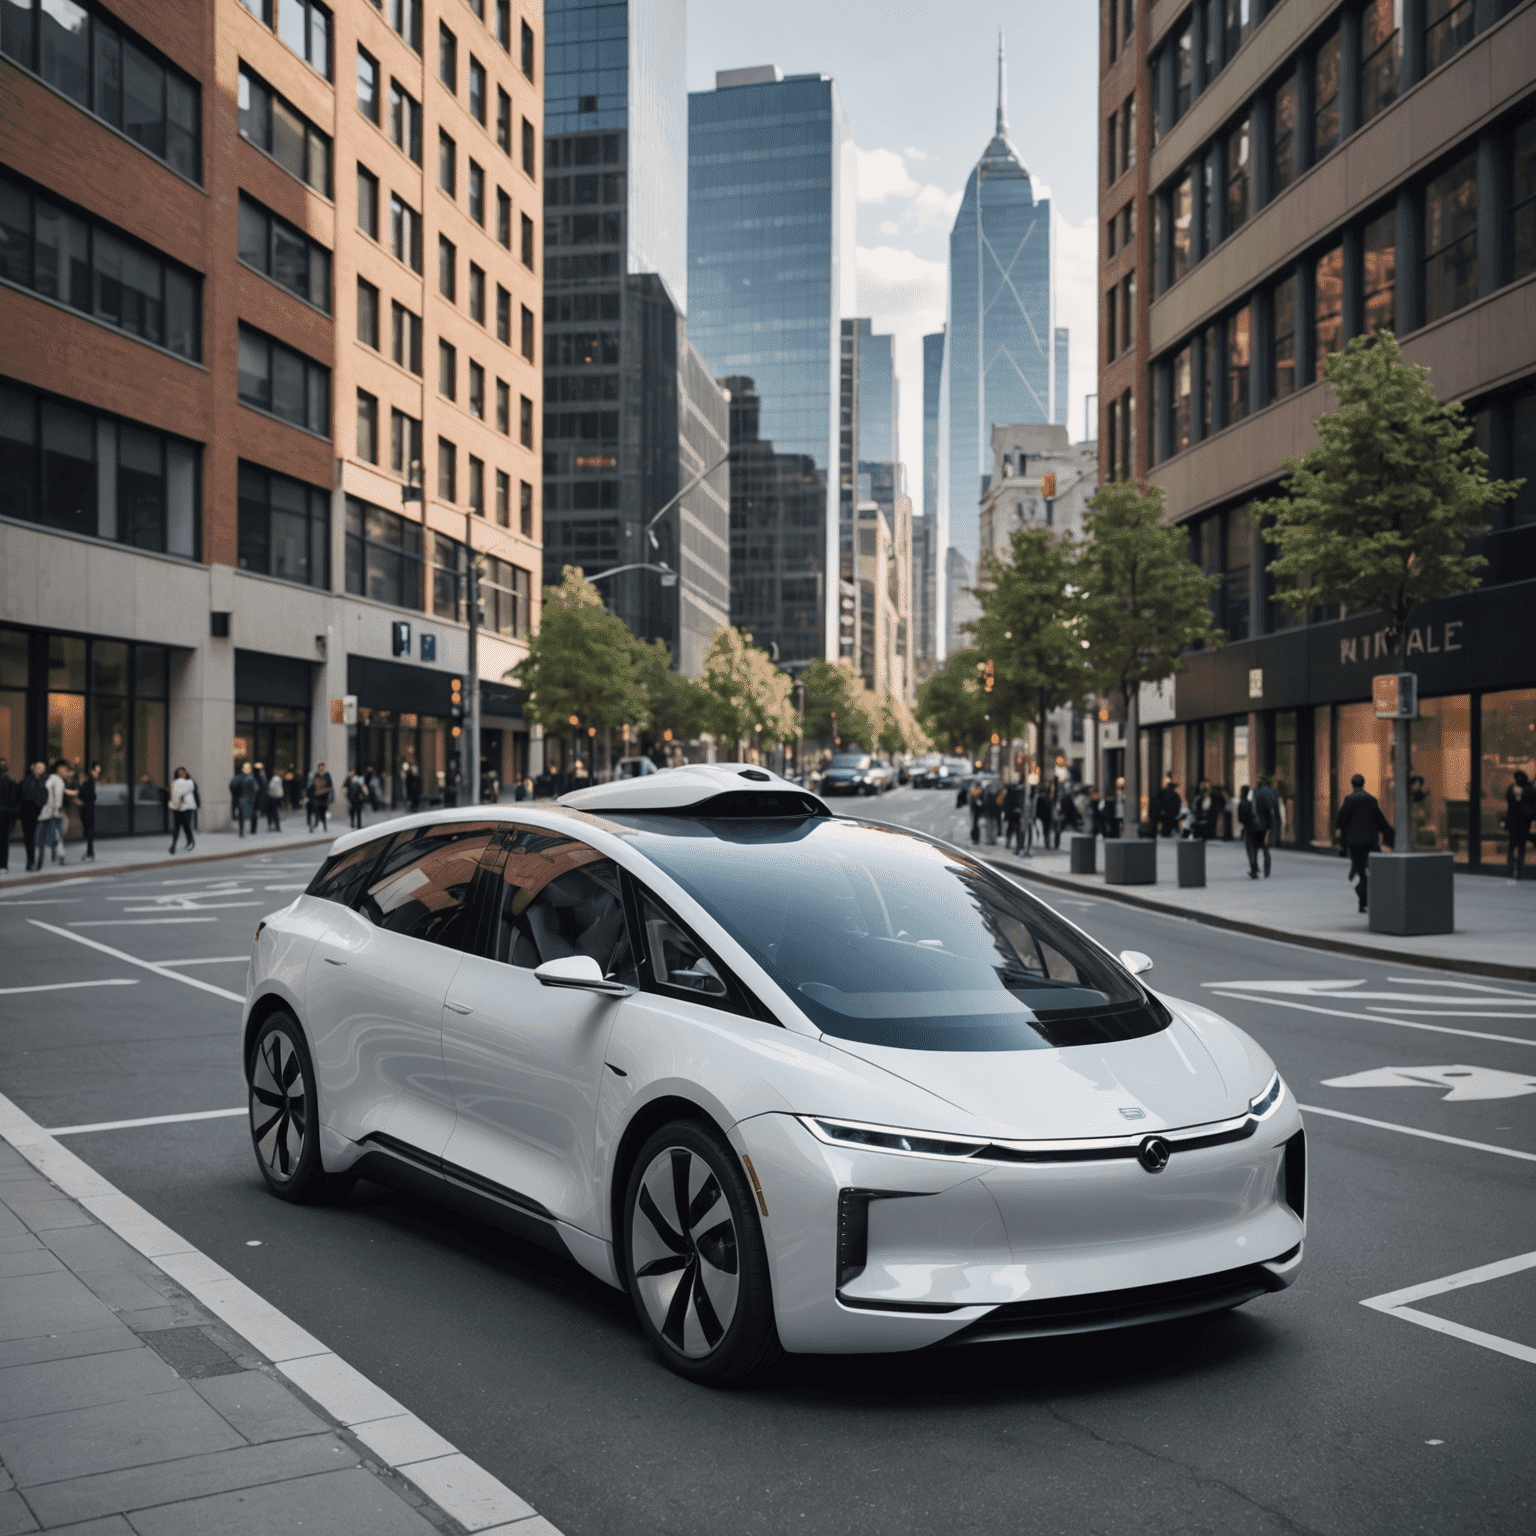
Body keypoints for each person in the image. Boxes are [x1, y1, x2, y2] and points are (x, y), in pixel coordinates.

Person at [1334, 772, 1394, 913]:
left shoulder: (1349, 800)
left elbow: (1342, 820)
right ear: (1363, 783)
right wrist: (1389, 834)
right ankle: (1364, 900)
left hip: (1354, 843)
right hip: (1370, 841)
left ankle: (1362, 901)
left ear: (1352, 784)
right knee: (1371, 871)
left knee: (1360, 870)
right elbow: (1380, 820)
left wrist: (1340, 841)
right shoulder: (1371, 800)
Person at [1251, 775, 1283, 878]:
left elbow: (1252, 808)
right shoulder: (1272, 794)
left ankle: (1254, 869)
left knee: (1254, 847)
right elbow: (1277, 812)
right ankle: (1267, 869)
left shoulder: (1256, 792)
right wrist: (1278, 826)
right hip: (1268, 824)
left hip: (1256, 824)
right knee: (1265, 848)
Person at [1506, 770, 1535, 880]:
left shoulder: (1513, 790)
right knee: (1520, 847)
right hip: (1523, 822)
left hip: (1515, 822)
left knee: (1513, 846)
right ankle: (1518, 870)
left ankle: (1511, 869)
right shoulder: (1529, 790)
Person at [41, 760, 69, 865]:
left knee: (56, 834)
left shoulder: (53, 780)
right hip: (54, 812)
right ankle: (60, 854)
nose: (65, 771)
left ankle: (55, 854)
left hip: (52, 811)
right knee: (57, 833)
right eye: (63, 769)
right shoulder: (56, 781)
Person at [168, 766, 199, 854]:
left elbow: (193, 792)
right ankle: (173, 846)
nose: (181, 774)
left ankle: (191, 841)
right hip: (177, 807)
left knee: (187, 827)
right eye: (179, 773)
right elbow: (173, 793)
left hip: (187, 808)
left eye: (182, 772)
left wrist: (197, 805)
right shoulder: (176, 783)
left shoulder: (190, 782)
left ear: (185, 773)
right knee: (176, 827)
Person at [76, 761, 100, 862]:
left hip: (88, 810)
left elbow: (91, 796)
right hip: (87, 809)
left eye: (82, 776)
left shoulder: (87, 784)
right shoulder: (89, 783)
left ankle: (90, 852)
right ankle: (90, 852)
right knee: (88, 831)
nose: (80, 778)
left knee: (89, 831)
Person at [0, 758, 17, 872]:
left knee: (3, 840)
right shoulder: (10, 781)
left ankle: (3, 865)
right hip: (5, 812)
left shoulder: (9, 781)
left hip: (4, 814)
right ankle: (3, 865)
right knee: (3, 840)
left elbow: (13, 799)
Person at [1238, 784, 1258, 878]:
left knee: (1249, 849)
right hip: (1254, 828)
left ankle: (1253, 869)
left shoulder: (1241, 804)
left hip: (1247, 828)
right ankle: (1255, 868)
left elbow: (1240, 819)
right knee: (1254, 849)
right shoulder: (1251, 803)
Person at [234, 761, 259, 836]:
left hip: (244, 799)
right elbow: (255, 789)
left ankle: (244, 831)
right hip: (247, 799)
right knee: (249, 815)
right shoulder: (249, 779)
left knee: (244, 816)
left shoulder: (241, 778)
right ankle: (250, 830)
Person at [309, 761, 333, 831]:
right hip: (317, 796)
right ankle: (315, 824)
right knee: (315, 811)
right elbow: (313, 785)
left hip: (325, 797)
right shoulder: (316, 775)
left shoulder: (327, 775)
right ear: (318, 768)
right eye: (320, 767)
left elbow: (330, 785)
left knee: (323, 812)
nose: (321, 768)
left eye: (323, 767)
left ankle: (324, 826)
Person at [1002, 779, 1023, 853]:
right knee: (1013, 829)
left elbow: (1006, 803)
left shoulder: (1012, 790)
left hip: (1013, 813)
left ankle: (1012, 844)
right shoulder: (1014, 791)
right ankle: (1013, 844)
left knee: (1014, 829)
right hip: (1012, 813)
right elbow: (1007, 803)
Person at [264, 767, 284, 831]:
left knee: (272, 813)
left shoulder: (275, 779)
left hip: (273, 798)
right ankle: (277, 826)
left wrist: (271, 793)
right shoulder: (277, 779)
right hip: (276, 798)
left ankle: (272, 826)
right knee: (275, 813)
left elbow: (271, 786)